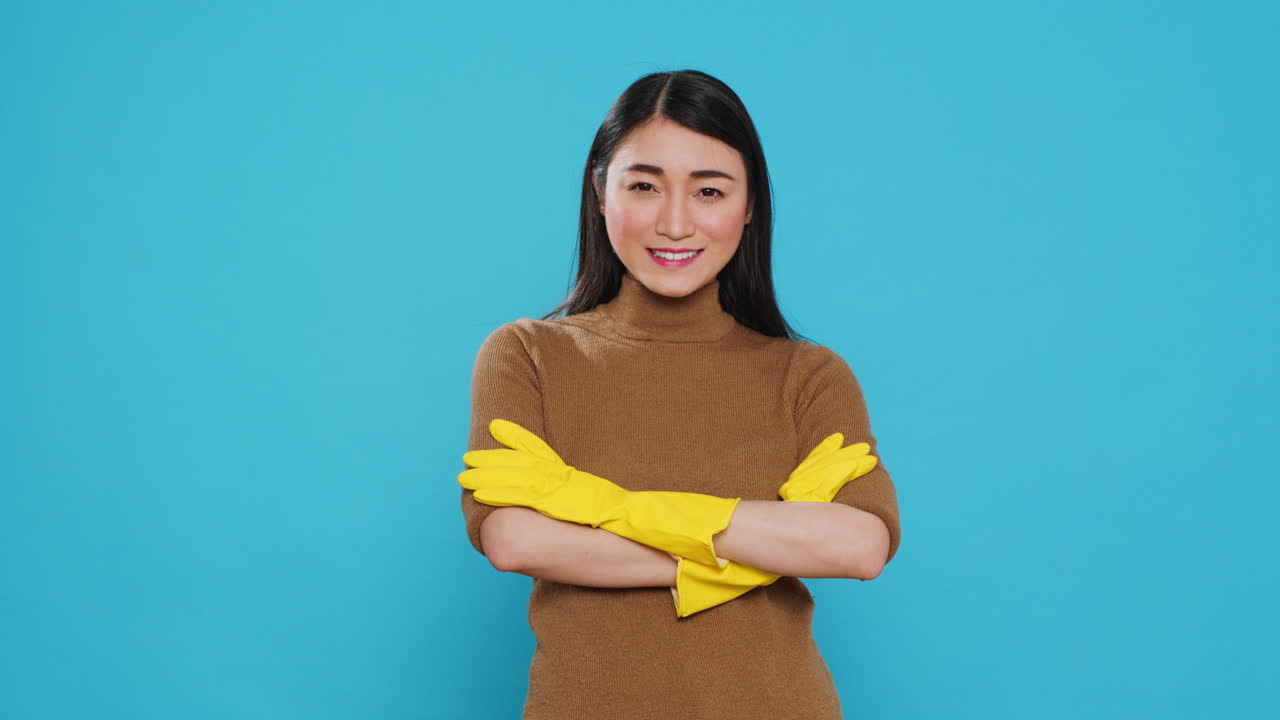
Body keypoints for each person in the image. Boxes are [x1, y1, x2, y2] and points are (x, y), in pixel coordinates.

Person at [456, 69, 901, 720]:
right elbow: (515, 540)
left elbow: (858, 547)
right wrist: (754, 546)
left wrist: (598, 507)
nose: (673, 222)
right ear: (600, 190)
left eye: (709, 191)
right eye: (643, 185)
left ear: (749, 206)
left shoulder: (807, 376)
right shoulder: (528, 356)